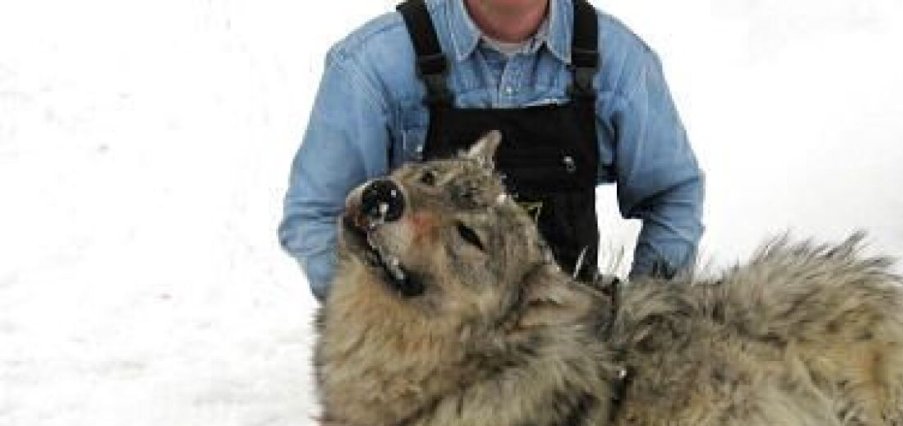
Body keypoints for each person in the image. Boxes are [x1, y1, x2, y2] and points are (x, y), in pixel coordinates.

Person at [278, 0, 705, 300]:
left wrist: (642, 318)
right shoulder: (371, 66)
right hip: (431, 359)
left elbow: (673, 194)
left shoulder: (622, 63)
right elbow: (317, 218)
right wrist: (388, 330)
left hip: (565, 350)